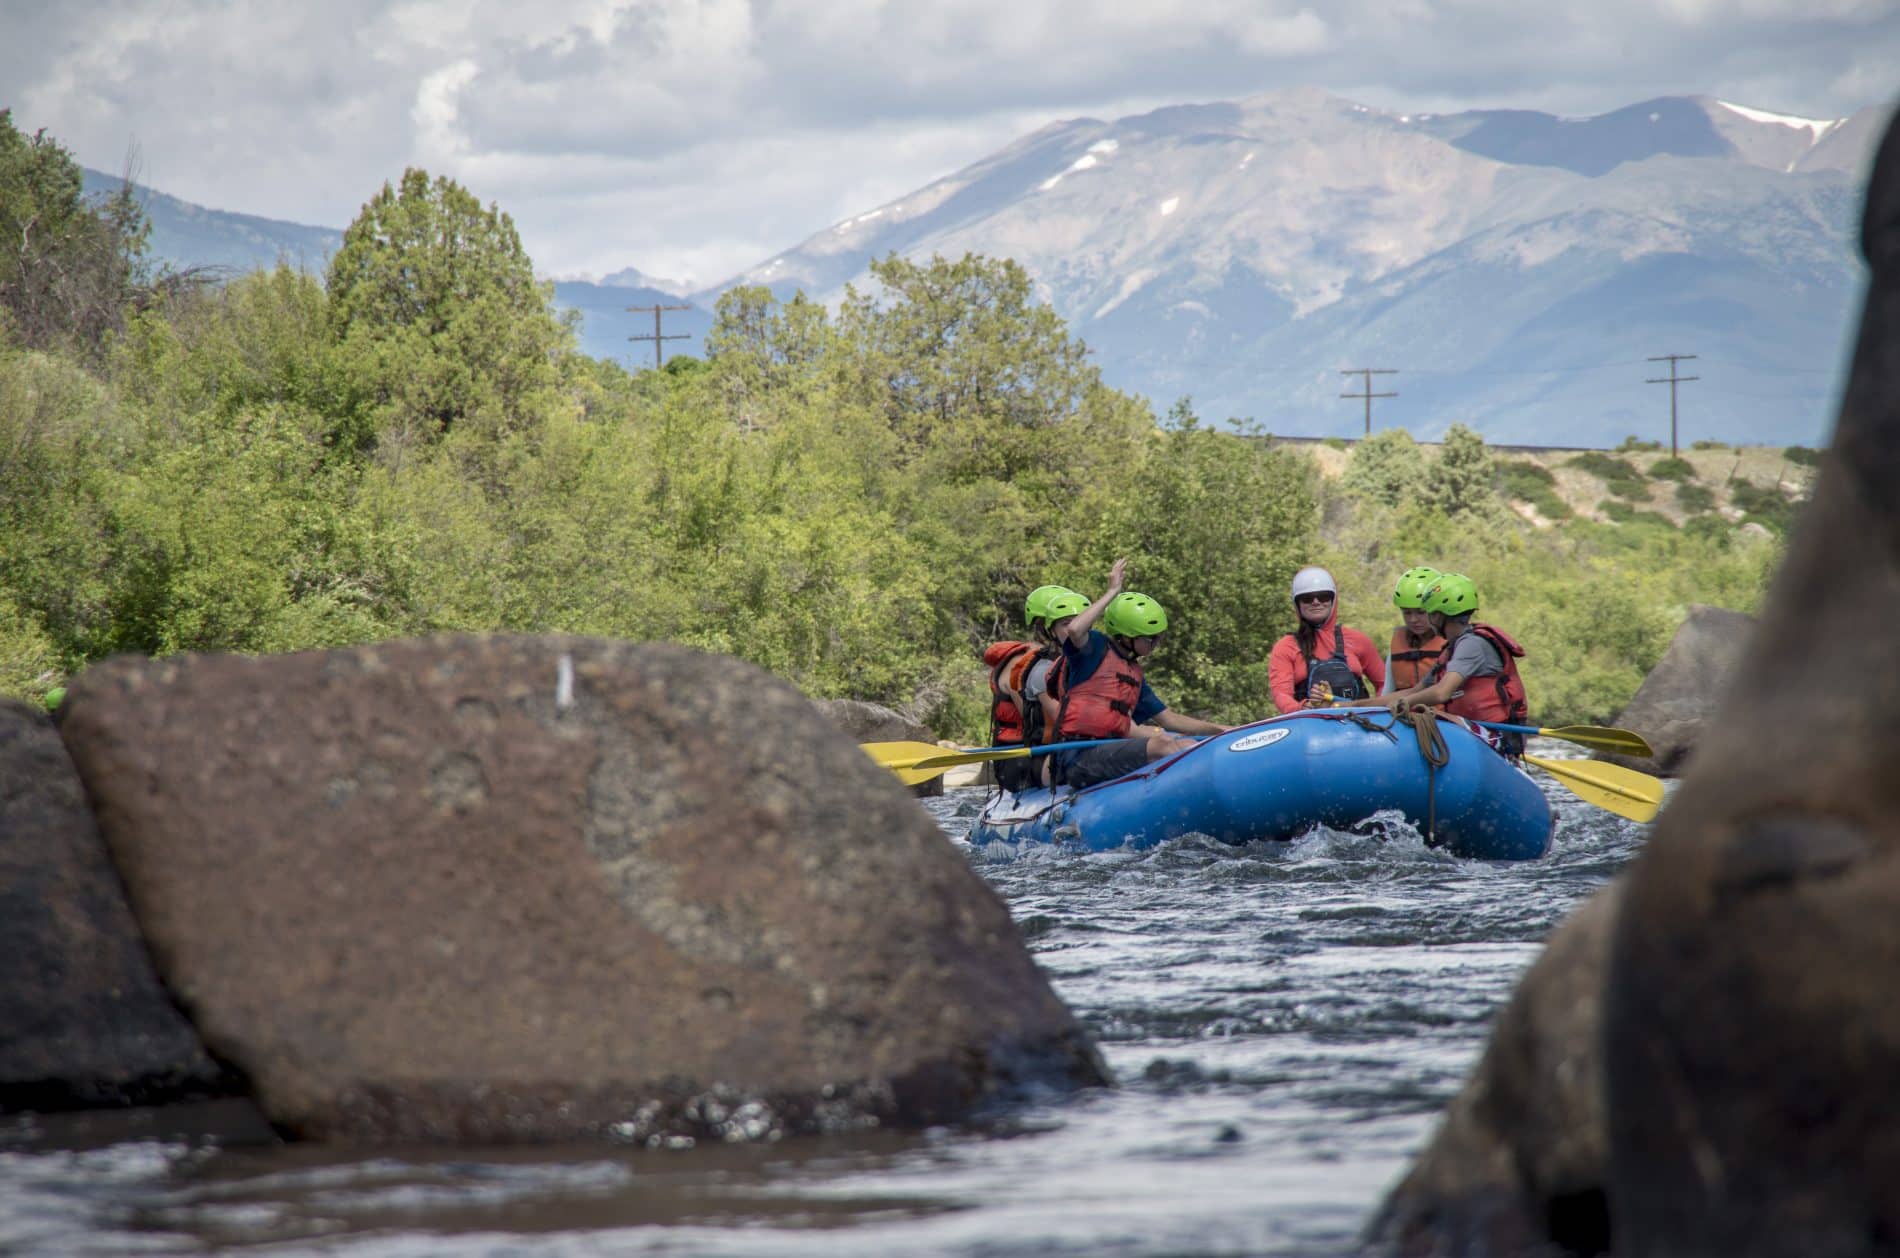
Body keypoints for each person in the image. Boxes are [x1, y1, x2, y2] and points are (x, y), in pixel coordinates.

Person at [1046, 559, 1231, 789]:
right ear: (1127, 636)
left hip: (1109, 751)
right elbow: (1074, 629)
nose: (1157, 644)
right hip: (1078, 758)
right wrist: (1112, 592)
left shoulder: (1132, 671)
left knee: (1184, 743)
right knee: (1162, 745)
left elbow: (1169, 719)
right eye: (1150, 639)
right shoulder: (1093, 650)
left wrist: (1222, 730)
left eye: (1159, 637)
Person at [1375, 572, 1531, 757]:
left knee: (1431, 716)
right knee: (1427, 718)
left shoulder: (1472, 644)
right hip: (1475, 732)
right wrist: (1357, 704)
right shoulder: (1452, 647)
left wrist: (1403, 704)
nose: (1428, 619)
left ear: (1442, 615)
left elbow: (1442, 692)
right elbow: (1414, 691)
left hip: (1497, 737)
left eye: (1430, 613)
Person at [982, 584, 1089, 792]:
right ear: (1045, 625)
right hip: (1020, 759)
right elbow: (1033, 716)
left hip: (1049, 749)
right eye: (1065, 622)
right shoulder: (1024, 664)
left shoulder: (1061, 660)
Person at [1267, 566, 1385, 713]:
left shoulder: (1357, 640)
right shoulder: (1286, 647)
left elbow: (1384, 684)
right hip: (1311, 725)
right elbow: (1281, 694)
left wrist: (1380, 712)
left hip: (1359, 724)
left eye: (1323, 596)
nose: (1316, 602)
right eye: (1307, 598)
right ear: (1298, 604)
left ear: (1333, 600)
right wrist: (1301, 707)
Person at [1382, 566, 1446, 695]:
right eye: (1407, 613)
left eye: (1421, 612)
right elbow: (1388, 691)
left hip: (1444, 714)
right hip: (1404, 712)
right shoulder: (1398, 641)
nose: (1413, 619)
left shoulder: (1454, 642)